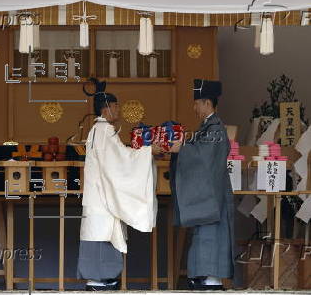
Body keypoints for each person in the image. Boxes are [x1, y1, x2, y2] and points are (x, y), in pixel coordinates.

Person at [76, 77, 160, 291]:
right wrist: (148, 151)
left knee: (100, 234)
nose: (118, 109)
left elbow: (117, 158)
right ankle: (99, 279)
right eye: (115, 106)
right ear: (106, 109)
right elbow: (121, 161)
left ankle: (97, 278)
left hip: (98, 196)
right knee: (103, 237)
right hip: (102, 198)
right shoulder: (104, 131)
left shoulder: (97, 130)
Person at [169, 79, 235, 290]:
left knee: (211, 235)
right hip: (209, 195)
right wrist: (182, 148)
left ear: (207, 103)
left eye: (197, 103)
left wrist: (183, 149)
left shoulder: (215, 128)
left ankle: (211, 278)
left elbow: (204, 157)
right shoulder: (208, 127)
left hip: (214, 197)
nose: (194, 107)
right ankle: (203, 276)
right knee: (204, 235)